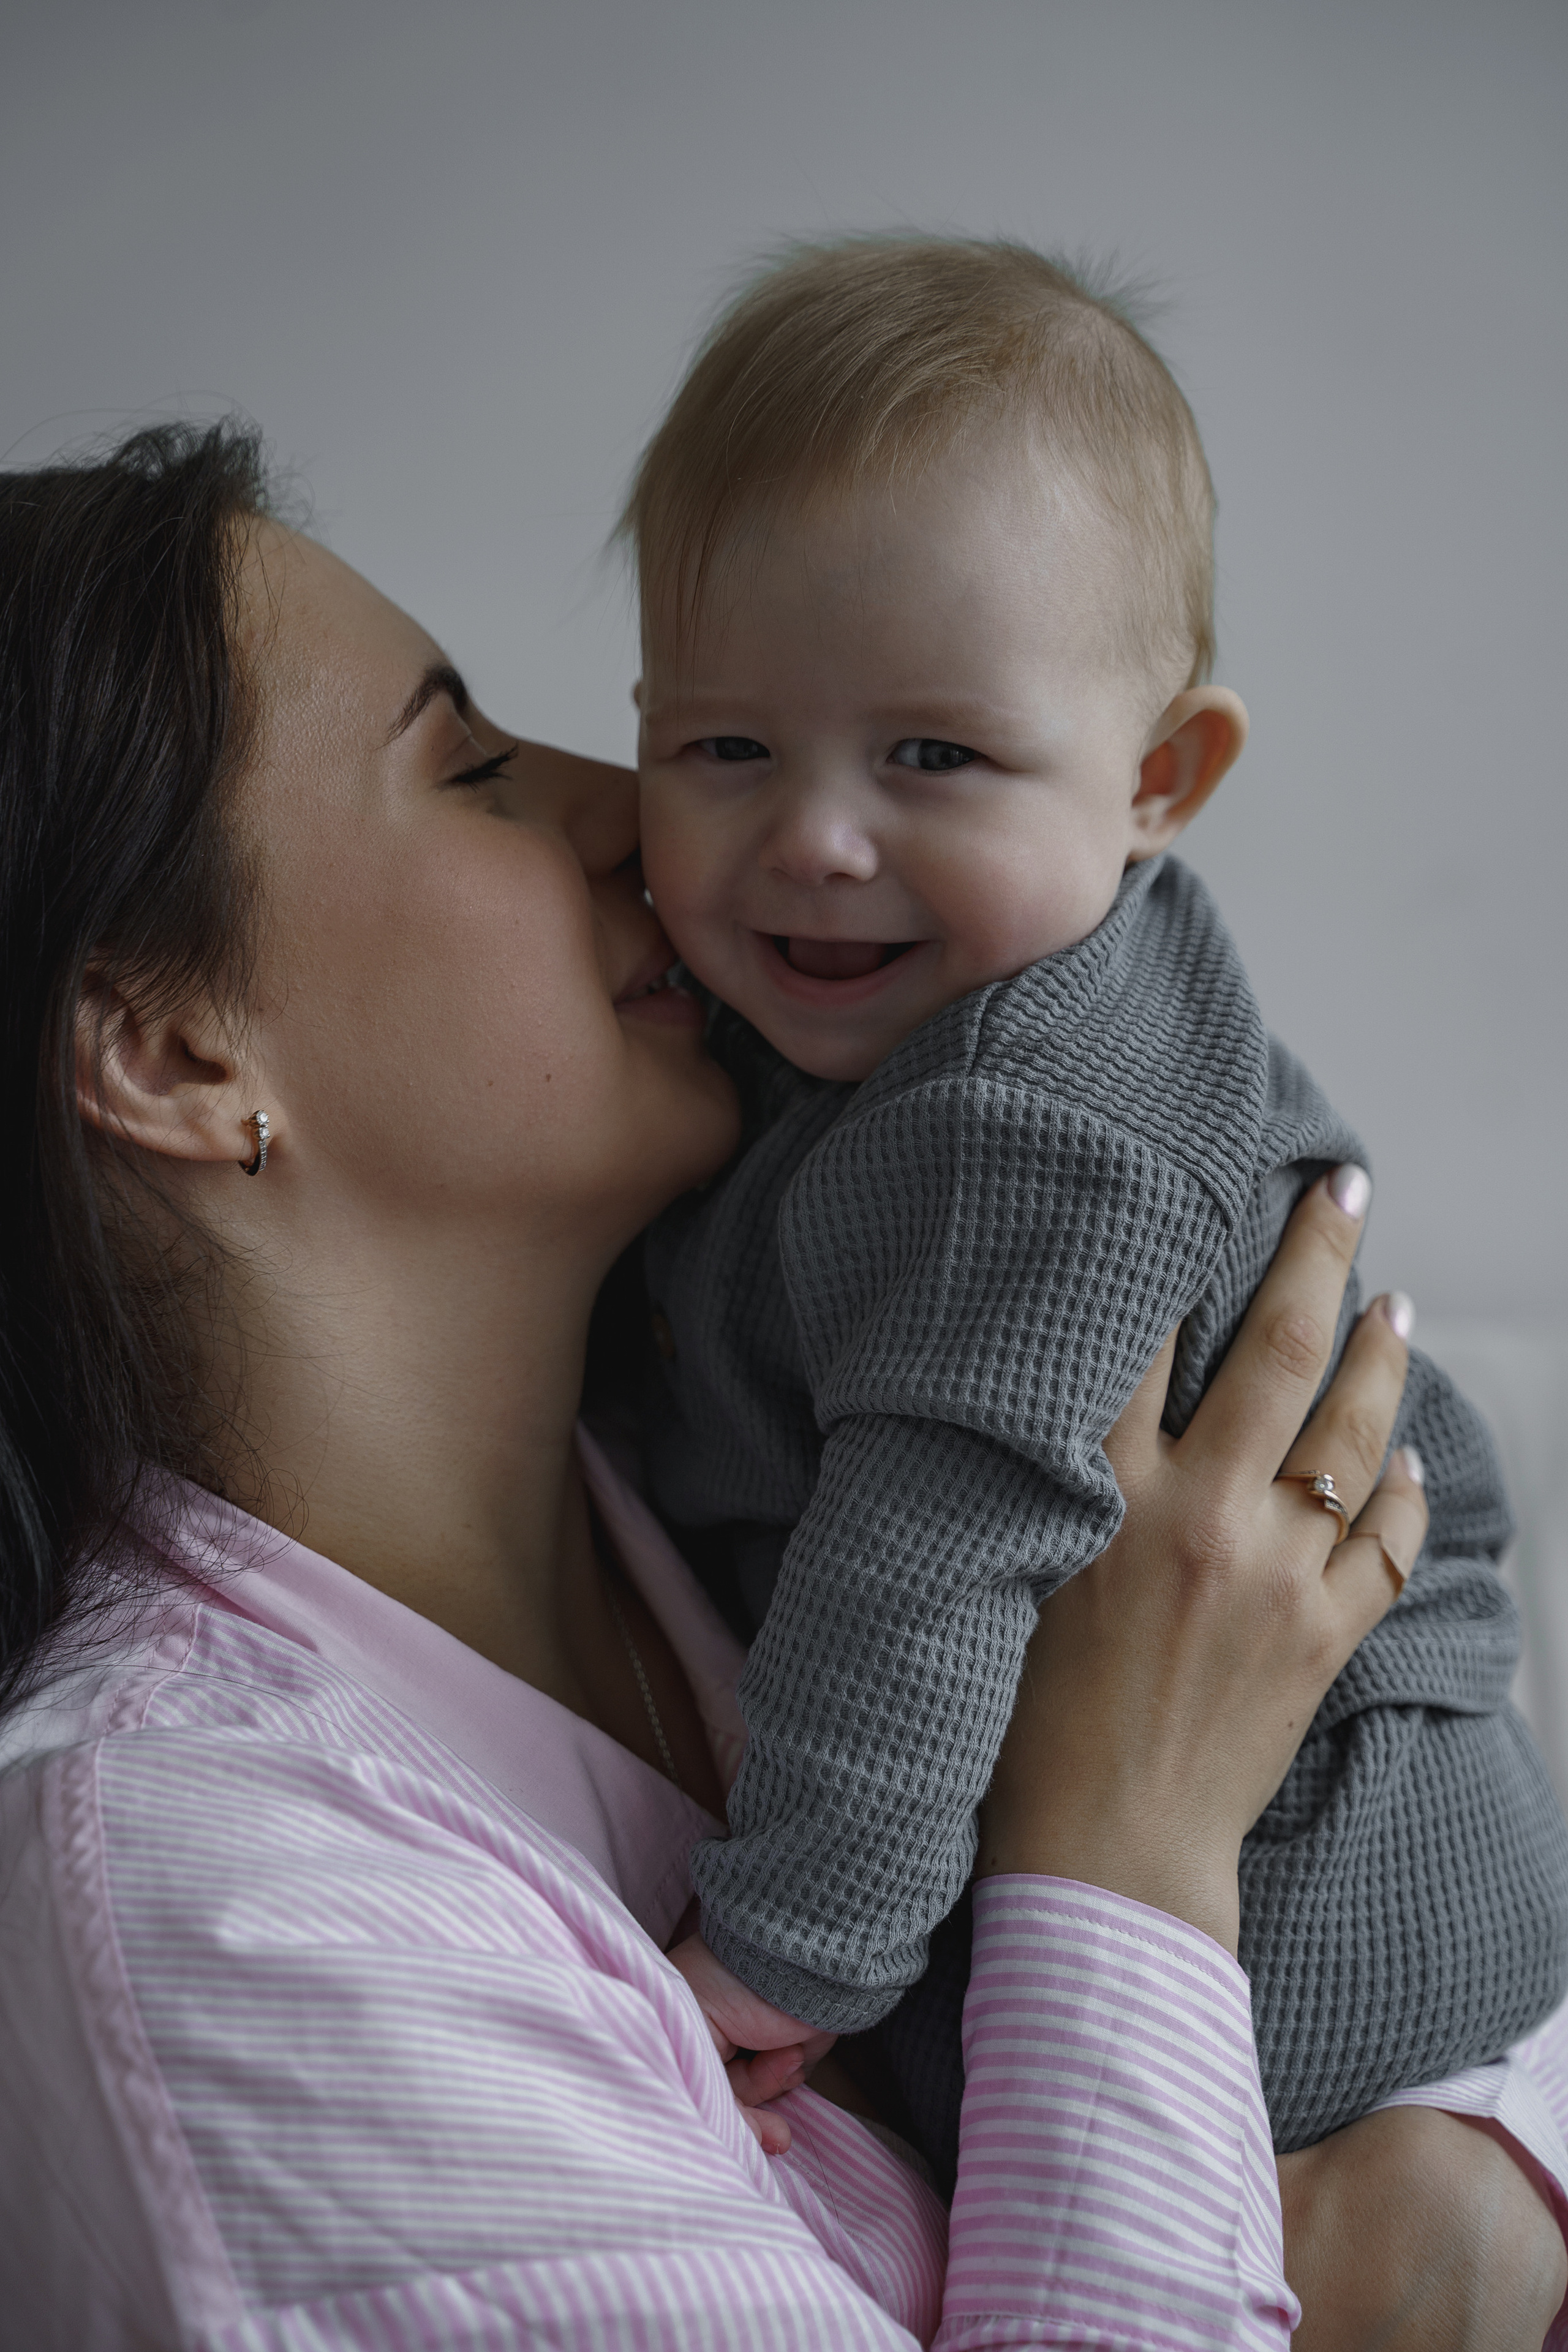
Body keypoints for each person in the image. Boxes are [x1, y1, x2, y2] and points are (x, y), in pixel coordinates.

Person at [0, 422, 1563, 2351]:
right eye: (471, 769)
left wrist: (1481, 2162)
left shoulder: (732, 1463)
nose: (635, 811)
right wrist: (1125, 1847)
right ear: (170, 1053)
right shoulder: (222, 1905)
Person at [625, 235, 1568, 2161]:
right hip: (1195, 1796)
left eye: (933, 756)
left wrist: (786, 1956)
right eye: (724, 745)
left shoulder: (1037, 1118)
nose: (811, 837)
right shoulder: (836, 1024)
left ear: (1159, 778)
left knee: (1038, 2140)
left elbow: (927, 1550)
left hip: (1329, 1884)